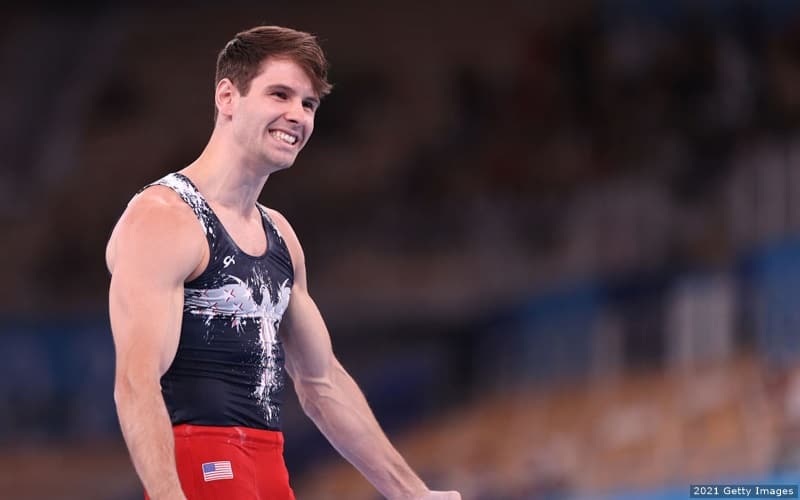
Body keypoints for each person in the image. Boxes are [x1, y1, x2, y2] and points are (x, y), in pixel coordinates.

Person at [106, 25, 461, 500]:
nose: (297, 115)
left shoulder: (280, 236)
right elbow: (136, 381)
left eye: (309, 104)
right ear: (227, 97)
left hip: (270, 470)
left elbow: (322, 383)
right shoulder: (163, 218)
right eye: (280, 94)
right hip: (200, 465)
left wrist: (411, 492)